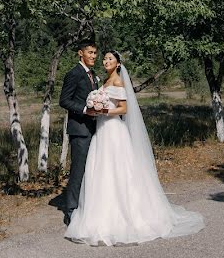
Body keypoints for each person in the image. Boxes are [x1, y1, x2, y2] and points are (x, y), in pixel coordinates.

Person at [64, 50, 205, 246]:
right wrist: (95, 106)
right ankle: (101, 212)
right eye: (104, 58)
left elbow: (123, 108)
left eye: (109, 58)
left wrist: (103, 110)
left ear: (118, 64)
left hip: (113, 130)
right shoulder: (102, 81)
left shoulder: (118, 82)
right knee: (101, 172)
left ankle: (127, 214)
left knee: (120, 172)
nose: (105, 61)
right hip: (101, 132)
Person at [58, 40, 101, 226]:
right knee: (78, 170)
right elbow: (64, 100)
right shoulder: (74, 74)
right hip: (80, 130)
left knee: (91, 169)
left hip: (94, 128)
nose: (93, 56)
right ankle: (71, 211)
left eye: (95, 53)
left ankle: (87, 206)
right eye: (90, 52)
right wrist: (85, 110)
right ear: (80, 53)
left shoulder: (93, 75)